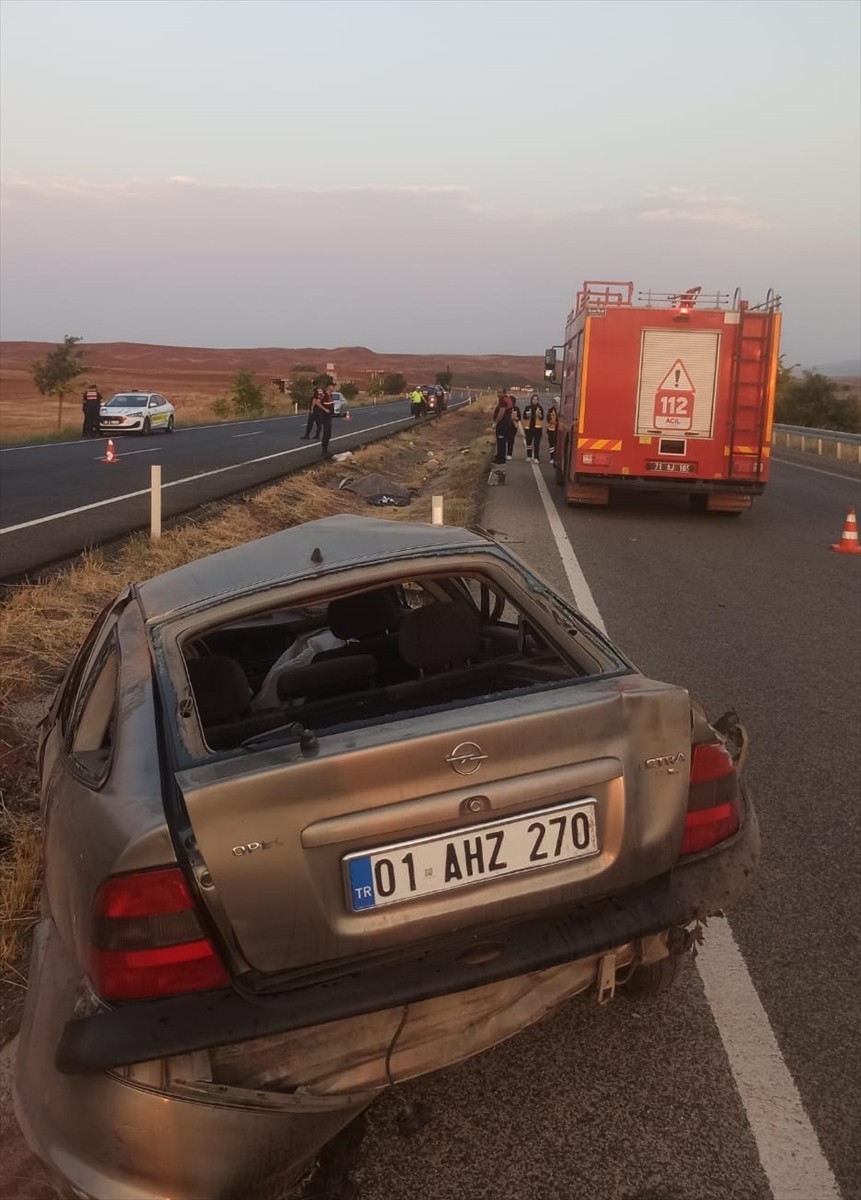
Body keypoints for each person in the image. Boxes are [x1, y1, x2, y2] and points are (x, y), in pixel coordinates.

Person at [492, 389, 514, 465]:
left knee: (501, 441)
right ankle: (499, 456)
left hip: (502, 425)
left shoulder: (503, 401)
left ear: (504, 393)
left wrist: (496, 422)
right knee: (501, 441)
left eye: (500, 392)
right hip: (505, 424)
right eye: (497, 392)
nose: (498, 394)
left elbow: (501, 413)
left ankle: (500, 459)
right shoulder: (507, 399)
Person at [523, 394, 545, 462]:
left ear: (538, 401)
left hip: (537, 428)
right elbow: (524, 417)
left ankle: (536, 457)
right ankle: (529, 456)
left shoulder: (540, 408)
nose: (535, 401)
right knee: (528, 443)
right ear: (531, 400)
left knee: (536, 443)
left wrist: (540, 415)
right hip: (529, 428)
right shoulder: (527, 407)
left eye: (536, 399)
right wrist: (527, 416)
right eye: (533, 399)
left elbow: (542, 418)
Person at [319, 383, 336, 456]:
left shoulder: (330, 395)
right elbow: (317, 402)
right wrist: (325, 409)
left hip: (329, 416)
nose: (334, 388)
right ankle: (324, 450)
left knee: (328, 433)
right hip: (325, 416)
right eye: (333, 387)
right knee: (326, 433)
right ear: (329, 387)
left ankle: (326, 449)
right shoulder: (324, 395)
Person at [546, 400, 559, 465]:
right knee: (551, 445)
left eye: (556, 402)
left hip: (558, 430)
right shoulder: (550, 410)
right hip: (551, 430)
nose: (555, 404)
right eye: (553, 402)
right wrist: (556, 422)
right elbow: (548, 419)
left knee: (557, 445)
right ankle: (552, 457)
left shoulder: (561, 411)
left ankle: (556, 457)